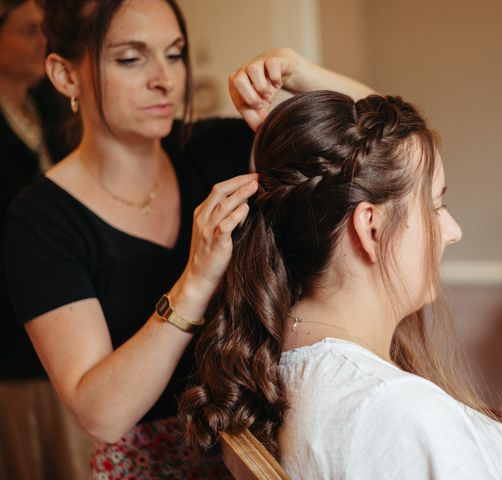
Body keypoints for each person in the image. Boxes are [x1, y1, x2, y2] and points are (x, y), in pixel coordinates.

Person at [3, 0, 374, 477]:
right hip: (151, 465)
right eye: (130, 59)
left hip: (266, 444)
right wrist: (195, 281)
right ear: (64, 75)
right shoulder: (39, 221)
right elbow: (101, 414)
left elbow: (391, 147)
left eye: (174, 54)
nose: (165, 79)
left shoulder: (220, 148)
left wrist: (300, 72)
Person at [180, 90, 502, 479]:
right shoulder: (406, 417)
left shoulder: (263, 374)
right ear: (371, 227)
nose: (452, 231)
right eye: (435, 207)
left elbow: (384, 149)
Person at [0, 1, 90, 478]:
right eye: (28, 31)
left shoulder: (47, 108)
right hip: (9, 329)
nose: (41, 43)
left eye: (45, 32)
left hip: (57, 303)